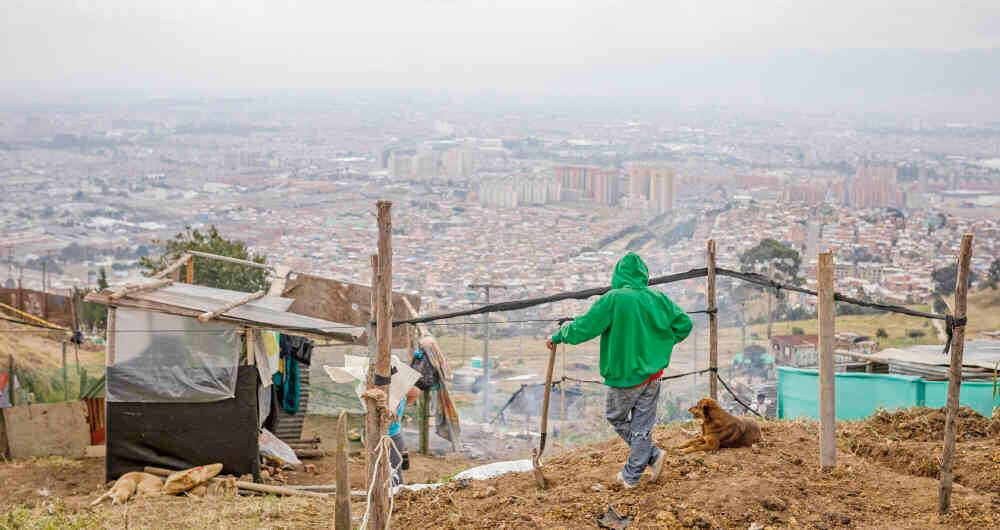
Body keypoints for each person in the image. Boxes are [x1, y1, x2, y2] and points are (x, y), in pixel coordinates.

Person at [547, 252, 692, 489]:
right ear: (644, 275)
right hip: (653, 375)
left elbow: (584, 327)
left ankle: (638, 470)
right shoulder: (657, 298)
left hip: (625, 377)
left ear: (618, 274)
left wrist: (558, 336)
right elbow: (684, 324)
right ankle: (646, 461)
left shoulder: (614, 298)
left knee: (616, 417)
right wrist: (659, 344)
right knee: (642, 425)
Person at [388, 386, 421, 486]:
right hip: (393, 437)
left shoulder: (396, 394)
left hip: (392, 437)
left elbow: (415, 392)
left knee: (394, 473)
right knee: (390, 472)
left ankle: (397, 497)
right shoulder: (395, 394)